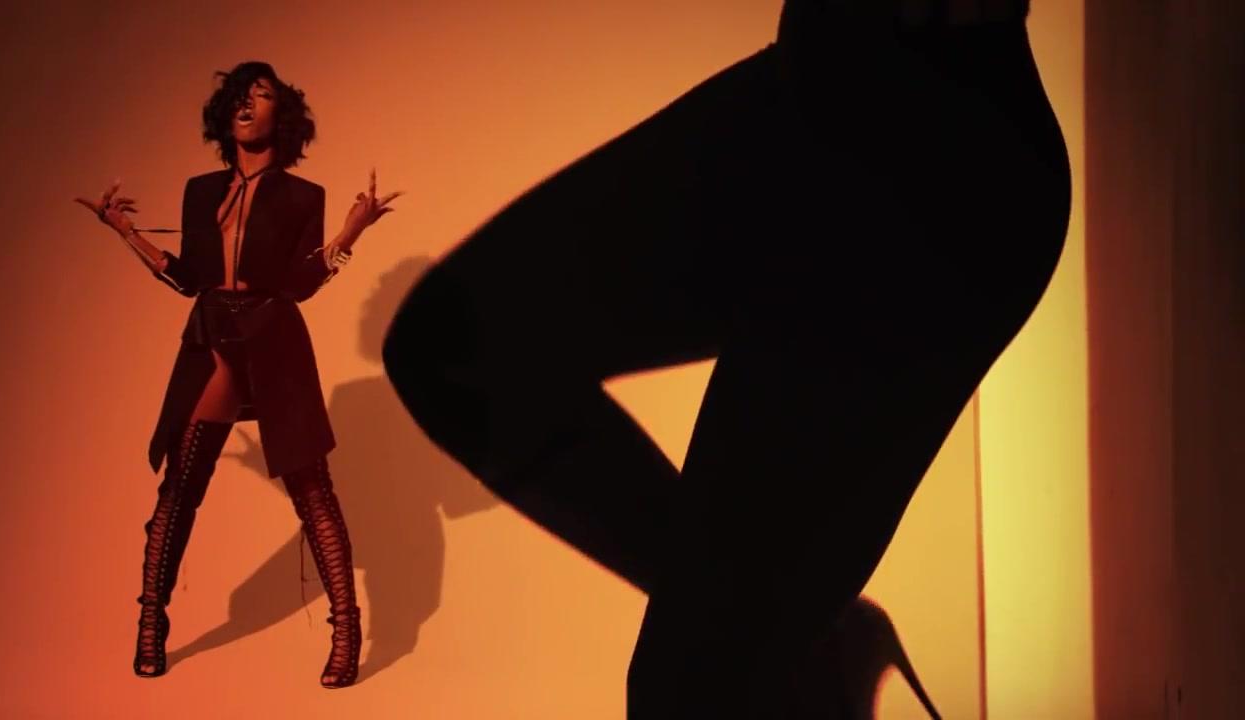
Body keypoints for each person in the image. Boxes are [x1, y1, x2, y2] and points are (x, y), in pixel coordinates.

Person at [384, 0, 1064, 716]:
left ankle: (771, 638)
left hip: (938, 151)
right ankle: (794, 638)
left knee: (694, 685)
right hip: (816, 92)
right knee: (454, 348)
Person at [75, 60, 400, 688]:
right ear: (225, 115)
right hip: (212, 335)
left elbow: (301, 284)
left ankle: (347, 630)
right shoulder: (201, 191)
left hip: (274, 336)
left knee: (312, 490)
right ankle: (150, 623)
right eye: (240, 96)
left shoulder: (303, 196)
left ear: (284, 115)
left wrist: (351, 233)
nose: (248, 104)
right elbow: (187, 278)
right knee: (179, 487)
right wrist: (125, 232)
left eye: (263, 95)